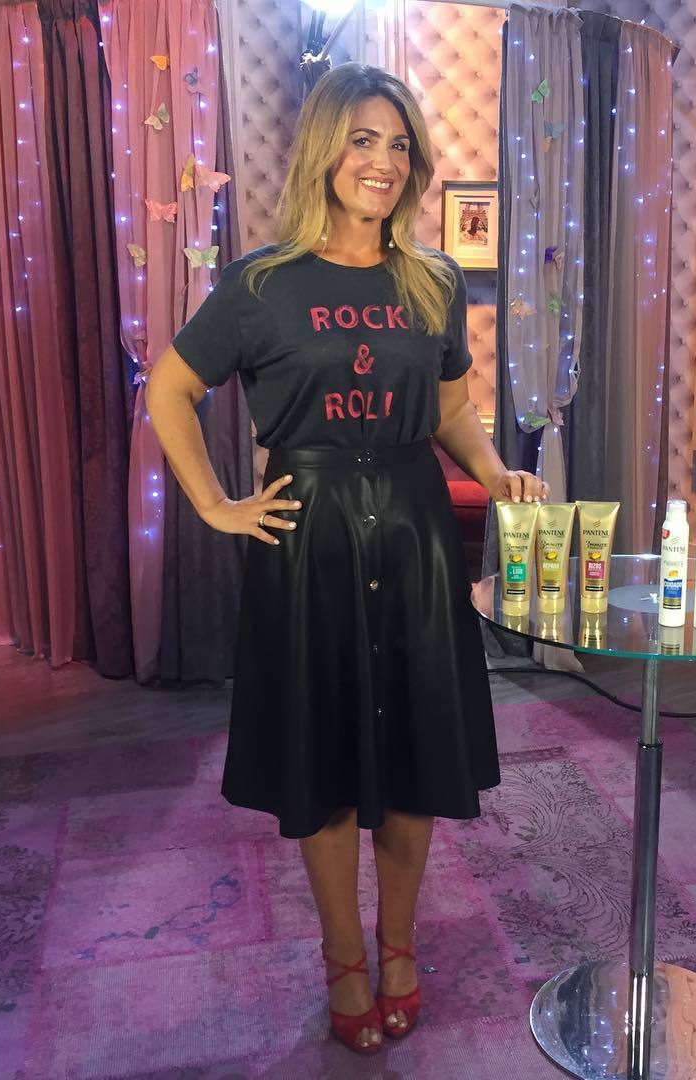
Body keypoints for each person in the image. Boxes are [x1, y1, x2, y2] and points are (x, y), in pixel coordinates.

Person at [145, 62, 548, 1055]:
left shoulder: (432, 280)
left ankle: (399, 947)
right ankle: (343, 960)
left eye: (399, 144)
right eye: (364, 140)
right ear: (326, 150)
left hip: (414, 536)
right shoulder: (262, 283)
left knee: (414, 756)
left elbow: (449, 405)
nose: (383, 161)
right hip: (309, 539)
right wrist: (214, 504)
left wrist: (494, 472)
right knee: (320, 761)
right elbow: (169, 389)